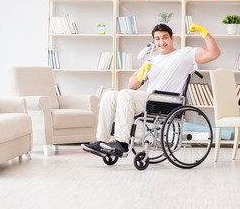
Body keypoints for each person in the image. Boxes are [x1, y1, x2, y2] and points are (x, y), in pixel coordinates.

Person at [82, 23, 220, 157]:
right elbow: (132, 85)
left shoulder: (184, 54)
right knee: (109, 95)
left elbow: (214, 53)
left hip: (168, 101)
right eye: (157, 39)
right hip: (149, 100)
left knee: (125, 95)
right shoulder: (152, 59)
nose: (161, 42)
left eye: (165, 37)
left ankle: (122, 143)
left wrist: (204, 33)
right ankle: (102, 141)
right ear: (154, 41)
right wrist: (142, 72)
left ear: (172, 38)